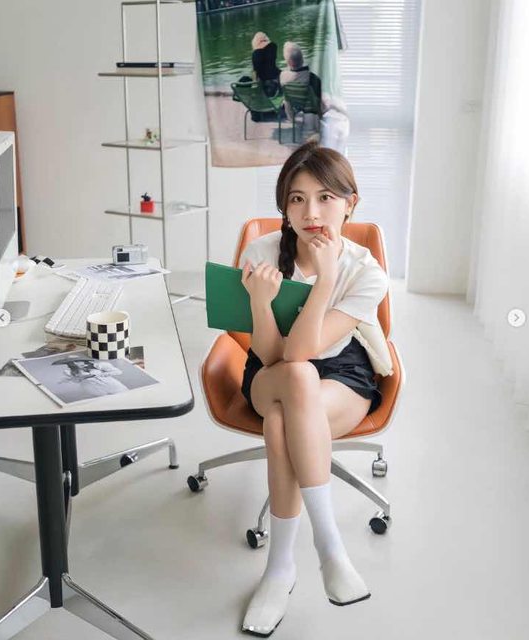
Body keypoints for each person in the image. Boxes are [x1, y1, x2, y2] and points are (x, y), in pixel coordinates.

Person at [238, 141, 388, 636]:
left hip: (342, 372)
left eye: (326, 198)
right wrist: (260, 303)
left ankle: (280, 570)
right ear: (284, 207)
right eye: (297, 199)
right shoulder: (261, 254)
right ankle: (330, 549)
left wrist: (325, 280)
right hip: (270, 369)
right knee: (296, 378)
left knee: (283, 419)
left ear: (350, 204)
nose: (311, 214)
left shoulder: (366, 272)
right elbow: (276, 357)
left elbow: (305, 351)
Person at [280, 41, 322, 124]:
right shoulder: (313, 78)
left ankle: (291, 119)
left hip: (295, 105)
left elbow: (286, 98)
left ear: (288, 62)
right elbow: (318, 99)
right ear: (302, 59)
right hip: (311, 109)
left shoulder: (282, 76)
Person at [251, 31, 281, 97]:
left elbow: (255, 71)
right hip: (275, 77)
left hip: (265, 82)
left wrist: (254, 83)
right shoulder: (273, 47)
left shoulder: (255, 54)